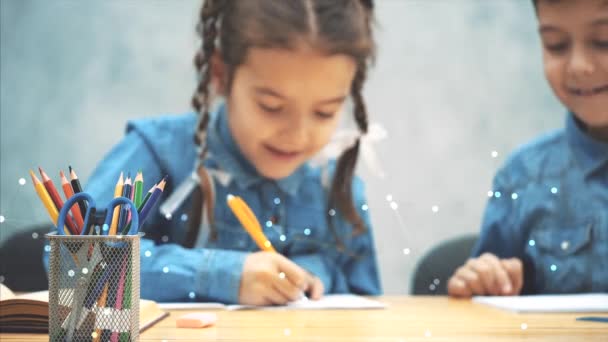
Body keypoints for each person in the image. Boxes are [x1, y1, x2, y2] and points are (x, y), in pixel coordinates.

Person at [46, 0, 382, 305]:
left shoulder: (339, 189)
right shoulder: (158, 152)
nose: (298, 135)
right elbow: (75, 262)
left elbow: (372, 307)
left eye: (324, 113)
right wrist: (220, 275)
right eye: (271, 107)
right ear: (221, 76)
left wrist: (318, 274)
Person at [448, 0, 608, 297]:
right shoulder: (524, 176)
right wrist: (483, 281)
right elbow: (487, 299)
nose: (579, 66)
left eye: (603, 42)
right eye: (556, 45)